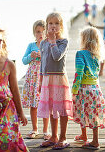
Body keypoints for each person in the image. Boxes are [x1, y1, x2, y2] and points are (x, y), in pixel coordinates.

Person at [72, 27, 105, 150]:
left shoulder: (80, 54)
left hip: (84, 89)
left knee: (82, 111)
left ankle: (94, 142)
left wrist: (74, 89)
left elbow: (79, 73)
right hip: (95, 89)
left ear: (84, 40)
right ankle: (87, 136)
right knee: (93, 113)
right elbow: (96, 74)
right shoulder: (97, 55)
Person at [38, 12, 73, 150]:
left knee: (62, 108)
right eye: (50, 23)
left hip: (59, 78)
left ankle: (63, 137)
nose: (53, 26)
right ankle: (54, 136)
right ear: (47, 25)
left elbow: (57, 56)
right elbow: (43, 62)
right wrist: (40, 80)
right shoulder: (43, 42)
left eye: (56, 23)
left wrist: (53, 41)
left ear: (61, 26)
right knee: (52, 108)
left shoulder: (63, 42)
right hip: (47, 79)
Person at [21, 20, 50, 140]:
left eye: (43, 31)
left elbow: (51, 60)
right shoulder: (31, 45)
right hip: (32, 77)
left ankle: (46, 130)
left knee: (45, 103)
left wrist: (43, 55)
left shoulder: (48, 44)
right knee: (34, 104)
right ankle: (34, 128)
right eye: (38, 32)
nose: (40, 34)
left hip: (44, 76)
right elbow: (23, 60)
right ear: (34, 33)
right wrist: (30, 56)